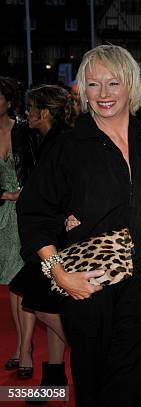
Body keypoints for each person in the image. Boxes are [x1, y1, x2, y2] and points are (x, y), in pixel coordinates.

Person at [16, 44, 141, 406]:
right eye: (93, 85)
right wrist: (60, 274)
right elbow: (34, 214)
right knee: (95, 385)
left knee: (136, 386)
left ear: (130, 84)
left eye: (113, 83)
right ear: (82, 89)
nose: (104, 94)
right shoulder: (68, 147)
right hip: (89, 288)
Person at [8, 84, 74, 387]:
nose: (27, 114)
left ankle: (88, 343)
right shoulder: (45, 140)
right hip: (50, 233)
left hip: (55, 237)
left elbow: (67, 188)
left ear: (45, 112)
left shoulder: (60, 142)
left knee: (33, 297)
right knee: (48, 304)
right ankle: (54, 380)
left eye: (31, 109)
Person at [0, 76, 30, 376]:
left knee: (22, 279)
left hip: (25, 215)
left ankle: (24, 348)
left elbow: (37, 167)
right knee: (12, 283)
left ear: (8, 101)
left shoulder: (24, 131)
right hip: (1, 215)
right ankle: (22, 345)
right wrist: (8, 194)